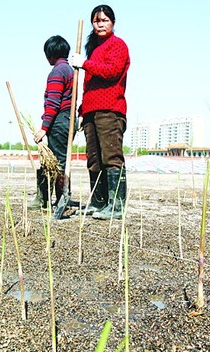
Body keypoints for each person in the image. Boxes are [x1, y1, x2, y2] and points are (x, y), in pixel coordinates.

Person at [70, 4, 130, 220]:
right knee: (94, 159)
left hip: (110, 110)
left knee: (111, 157)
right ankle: (98, 202)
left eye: (104, 20)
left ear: (112, 22)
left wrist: (85, 64)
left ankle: (116, 205)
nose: (100, 24)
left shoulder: (118, 45)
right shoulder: (94, 50)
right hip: (90, 112)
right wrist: (80, 112)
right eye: (97, 21)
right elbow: (89, 87)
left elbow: (111, 72)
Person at [28, 35, 74, 210]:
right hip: (67, 119)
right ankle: (56, 199)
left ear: (50, 53)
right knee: (60, 160)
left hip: (60, 119)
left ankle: (62, 201)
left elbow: (53, 102)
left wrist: (44, 128)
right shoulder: (70, 69)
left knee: (57, 162)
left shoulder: (57, 71)